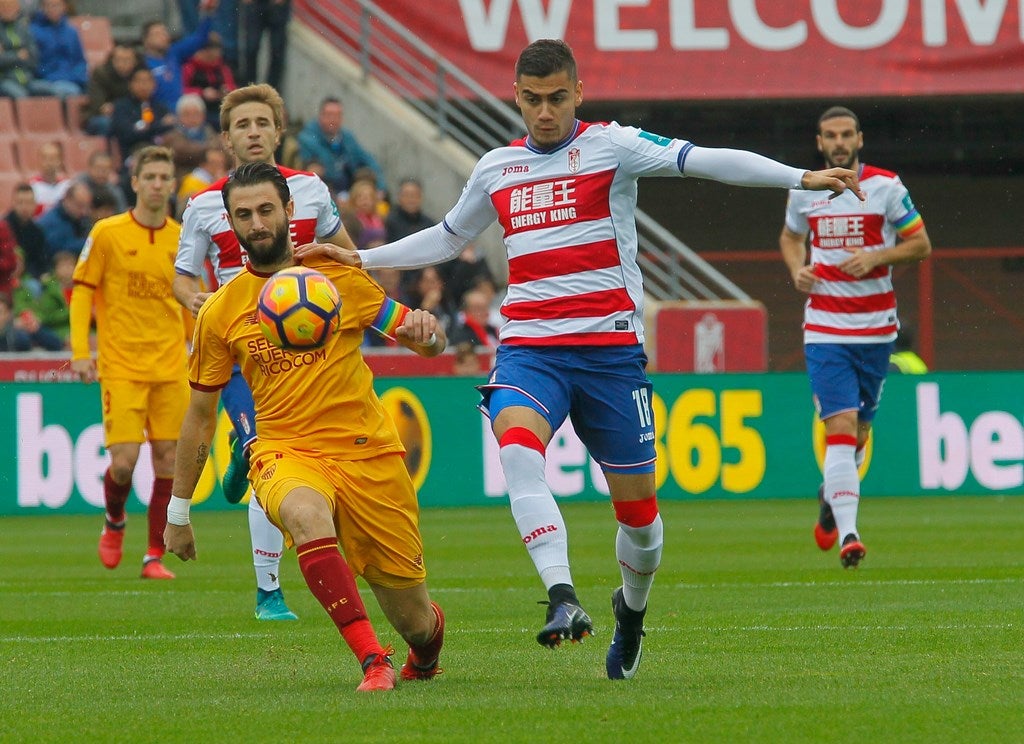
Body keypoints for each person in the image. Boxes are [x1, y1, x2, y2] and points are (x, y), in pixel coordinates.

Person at [309, 39, 863, 680]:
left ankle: (630, 613)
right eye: (532, 99)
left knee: (642, 522)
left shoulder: (612, 146)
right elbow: (449, 235)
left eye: (557, 98)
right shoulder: (495, 168)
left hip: (610, 356)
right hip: (530, 348)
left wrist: (800, 177)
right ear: (516, 97)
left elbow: (704, 161)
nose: (545, 112)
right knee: (516, 448)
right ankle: (562, 597)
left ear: (579, 94)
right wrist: (361, 259)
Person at [165, 161, 447, 692]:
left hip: (369, 453)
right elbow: (199, 415)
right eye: (242, 215)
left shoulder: (337, 278)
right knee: (302, 511)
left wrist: (430, 335)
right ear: (230, 223)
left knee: (415, 620)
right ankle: (372, 659)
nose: (256, 223)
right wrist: (178, 512)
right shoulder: (220, 312)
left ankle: (423, 652)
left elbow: (418, 339)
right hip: (283, 449)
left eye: (266, 210)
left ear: (290, 211)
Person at [172, 83, 360, 621]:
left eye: (261, 123)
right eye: (241, 126)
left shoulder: (312, 192)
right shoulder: (206, 205)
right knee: (267, 456)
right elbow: (183, 279)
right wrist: (199, 301)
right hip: (239, 349)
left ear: (278, 132)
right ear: (227, 139)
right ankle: (269, 591)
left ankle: (244, 455)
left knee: (288, 461)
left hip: (308, 353)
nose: (252, 133)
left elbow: (348, 257)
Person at [779, 105, 931, 568]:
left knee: (860, 433)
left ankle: (831, 496)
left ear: (859, 139)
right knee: (840, 430)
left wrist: (878, 257)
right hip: (825, 328)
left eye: (847, 134)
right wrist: (796, 269)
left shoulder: (886, 187)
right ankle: (850, 533)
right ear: (820, 142)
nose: (839, 142)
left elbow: (921, 244)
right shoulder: (804, 189)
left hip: (877, 328)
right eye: (831, 135)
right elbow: (789, 238)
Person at [69, 146, 187, 580]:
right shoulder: (107, 233)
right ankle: (115, 519)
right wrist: (82, 353)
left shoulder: (183, 238)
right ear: (134, 182)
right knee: (123, 461)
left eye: (164, 177)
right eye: (150, 176)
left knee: (168, 461)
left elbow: (193, 302)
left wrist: (201, 354)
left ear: (173, 184)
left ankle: (153, 555)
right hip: (121, 365)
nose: (158, 184)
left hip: (172, 365)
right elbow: (82, 291)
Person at [297, 97, 386, 198]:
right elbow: (328, 166)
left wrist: (380, 187)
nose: (333, 120)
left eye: (337, 115)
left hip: (350, 190)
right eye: (329, 115)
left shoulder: (347, 137)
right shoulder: (307, 137)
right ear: (320, 116)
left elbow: (368, 159)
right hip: (322, 190)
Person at [141, 13, 216, 111]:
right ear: (146, 40)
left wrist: (207, 14)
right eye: (157, 34)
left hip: (181, 112)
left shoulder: (173, 53)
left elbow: (200, 39)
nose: (163, 37)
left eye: (165, 33)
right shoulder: (142, 63)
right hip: (158, 114)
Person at [109, 66, 177, 166]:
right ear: (130, 84)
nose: (144, 85)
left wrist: (147, 128)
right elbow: (127, 135)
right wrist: (159, 125)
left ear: (154, 84)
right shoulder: (122, 107)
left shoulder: (160, 107)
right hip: (131, 156)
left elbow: (170, 127)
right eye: (139, 81)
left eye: (148, 81)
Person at [80, 43, 144, 137]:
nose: (122, 64)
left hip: (129, 114)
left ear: (135, 62)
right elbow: (98, 105)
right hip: (99, 117)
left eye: (127, 60)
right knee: (105, 123)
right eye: (118, 60)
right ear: (112, 60)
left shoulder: (139, 75)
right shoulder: (101, 74)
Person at [28, 0, 87, 98]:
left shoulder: (72, 32)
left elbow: (79, 60)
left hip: (72, 79)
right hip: (46, 80)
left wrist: (77, 77)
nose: (52, 9)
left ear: (64, 7)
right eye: (48, 6)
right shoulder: (33, 31)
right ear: (42, 8)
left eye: (56, 5)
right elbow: (35, 63)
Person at [182, 35, 237, 130]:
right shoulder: (189, 68)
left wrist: (227, 90)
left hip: (219, 109)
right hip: (199, 110)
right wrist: (202, 93)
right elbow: (181, 90)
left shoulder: (223, 68)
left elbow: (232, 86)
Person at [162, 92, 220, 178]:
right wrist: (208, 149)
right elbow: (182, 151)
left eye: (196, 114)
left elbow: (220, 147)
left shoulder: (209, 130)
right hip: (183, 176)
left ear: (203, 116)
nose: (192, 118)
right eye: (187, 114)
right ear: (179, 116)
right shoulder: (171, 135)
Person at [0, 0, 49, 99]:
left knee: (52, 92)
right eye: (5, 7)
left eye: (12, 7)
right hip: (6, 80)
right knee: (22, 97)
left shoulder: (24, 29)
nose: (9, 10)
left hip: (28, 79)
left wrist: (7, 54)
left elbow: (34, 58)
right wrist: (18, 56)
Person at [240, 0, 291, 91]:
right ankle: (249, 88)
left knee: (277, 50)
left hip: (278, 7)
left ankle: (271, 90)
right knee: (251, 48)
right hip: (256, 4)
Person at [37, 180, 92, 259]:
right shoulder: (51, 222)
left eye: (86, 206)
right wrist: (89, 243)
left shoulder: (79, 219)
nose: (84, 212)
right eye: (79, 206)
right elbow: (60, 249)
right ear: (67, 200)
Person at [5, 183, 49, 280]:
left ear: (35, 204)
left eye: (29, 202)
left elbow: (41, 263)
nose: (25, 207)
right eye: (20, 202)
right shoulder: (4, 228)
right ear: (13, 203)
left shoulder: (38, 231)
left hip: (30, 277)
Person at [384, 177, 433, 243]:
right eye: (406, 195)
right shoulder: (388, 223)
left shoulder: (429, 225)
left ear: (421, 197)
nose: (411, 200)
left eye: (414, 195)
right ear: (399, 197)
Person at [28, 141, 70, 217]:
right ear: (39, 160)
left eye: (53, 158)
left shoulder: (67, 186)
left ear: (60, 161)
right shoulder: (32, 186)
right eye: (45, 158)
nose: (49, 162)